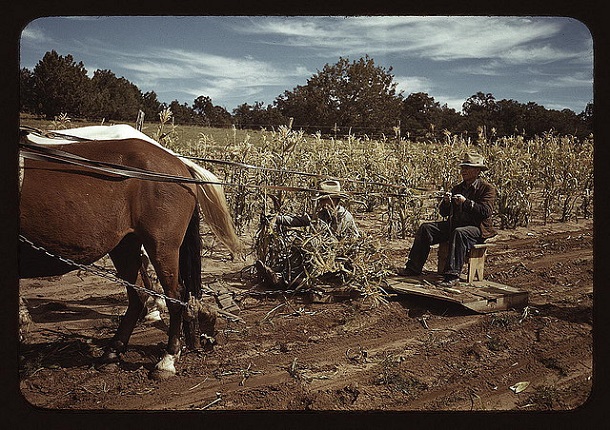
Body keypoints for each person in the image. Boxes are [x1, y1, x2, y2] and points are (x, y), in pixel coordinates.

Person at [398, 152, 496, 287]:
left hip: (477, 229)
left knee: (459, 233)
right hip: (455, 225)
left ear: (477, 170)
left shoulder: (487, 189)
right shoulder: (458, 188)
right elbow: (444, 213)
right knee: (426, 228)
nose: (464, 171)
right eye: (463, 168)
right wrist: (446, 202)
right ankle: (413, 268)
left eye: (468, 168)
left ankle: (452, 275)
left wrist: (465, 202)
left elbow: (485, 212)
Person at [255, 179, 360, 288]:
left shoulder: (344, 217)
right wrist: (276, 219)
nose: (322, 203)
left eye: (324, 200)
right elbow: (297, 220)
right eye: (321, 200)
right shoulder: (322, 214)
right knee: (299, 247)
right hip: (321, 251)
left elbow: (350, 239)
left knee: (311, 247)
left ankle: (285, 279)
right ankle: (279, 271)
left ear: (334, 200)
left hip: (335, 255)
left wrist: (337, 246)